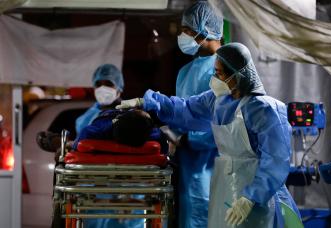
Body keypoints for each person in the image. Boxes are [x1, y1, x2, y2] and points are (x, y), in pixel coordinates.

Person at [116, 43, 301, 227]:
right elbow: (185, 108)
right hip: (226, 186)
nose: (214, 78)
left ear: (237, 75)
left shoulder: (265, 109)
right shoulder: (217, 101)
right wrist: (146, 102)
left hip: (259, 196)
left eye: (219, 73)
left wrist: (251, 197)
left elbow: (276, 160)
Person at [141, 2, 223, 227]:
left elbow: (227, 124)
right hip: (186, 165)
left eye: (187, 29)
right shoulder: (185, 73)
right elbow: (181, 114)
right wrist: (169, 132)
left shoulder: (225, 68)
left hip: (215, 166)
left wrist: (191, 138)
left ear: (206, 28)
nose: (182, 35)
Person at [75, 63, 124, 134]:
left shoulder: (125, 115)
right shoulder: (93, 111)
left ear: (118, 88)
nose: (102, 88)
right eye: (98, 84)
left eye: (108, 84)